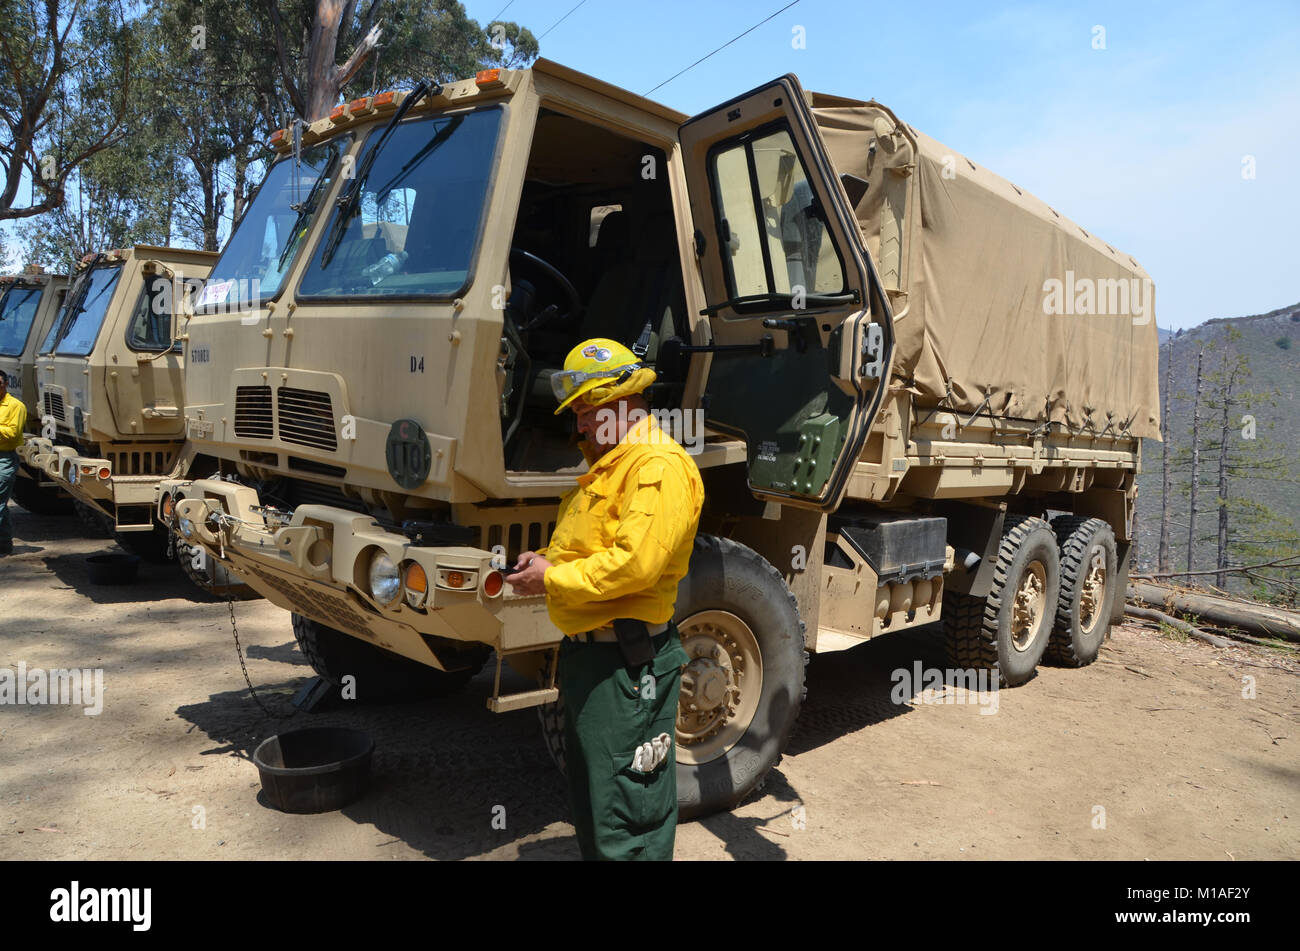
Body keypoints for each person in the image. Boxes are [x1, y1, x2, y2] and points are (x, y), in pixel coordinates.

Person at [506, 338, 704, 860]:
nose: (581, 427)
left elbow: (636, 565)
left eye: (589, 413)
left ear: (622, 403)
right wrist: (543, 561)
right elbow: (587, 547)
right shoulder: (610, 467)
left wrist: (551, 579)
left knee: (627, 815)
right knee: (597, 801)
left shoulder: (657, 467)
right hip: (592, 659)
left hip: (627, 665)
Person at [0, 369, 27, 555]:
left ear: (6, 384)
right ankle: (4, 545)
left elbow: (13, 433)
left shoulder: (16, 406)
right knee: (2, 505)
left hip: (4, 458)